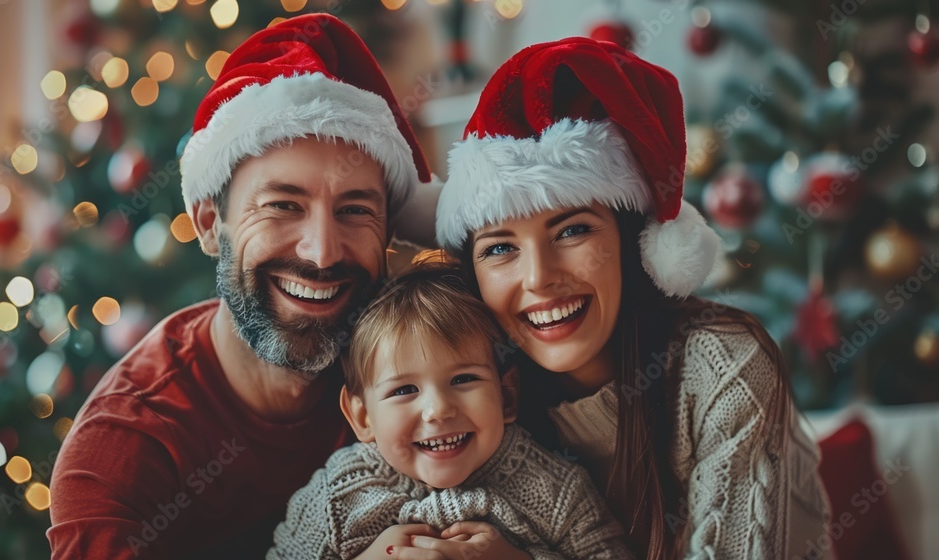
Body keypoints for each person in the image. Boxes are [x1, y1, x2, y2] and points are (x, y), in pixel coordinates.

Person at [48, 14, 441, 559]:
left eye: (355, 211)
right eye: (283, 206)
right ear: (210, 224)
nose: (323, 252)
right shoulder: (123, 451)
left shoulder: (428, 370)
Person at [434, 38, 832, 559]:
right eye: (501, 247)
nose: (538, 278)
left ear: (637, 243)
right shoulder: (468, 393)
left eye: (572, 230)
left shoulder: (721, 369)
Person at [266, 262, 634, 560]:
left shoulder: (556, 491)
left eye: (463, 380)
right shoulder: (336, 496)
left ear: (505, 397)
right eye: (404, 390)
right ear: (363, 417)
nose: (438, 410)